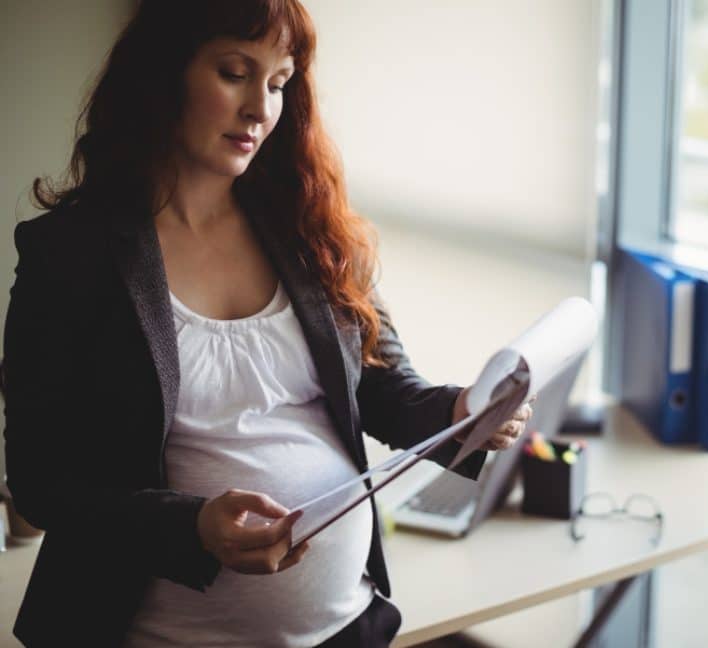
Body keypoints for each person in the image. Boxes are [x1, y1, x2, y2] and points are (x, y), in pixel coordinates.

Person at [2, 1, 532, 646]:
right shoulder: (73, 253)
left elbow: (381, 387)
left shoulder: (310, 229)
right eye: (234, 73)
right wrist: (191, 527)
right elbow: (41, 482)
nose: (260, 107)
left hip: (344, 626)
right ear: (162, 74)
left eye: (279, 83)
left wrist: (463, 411)